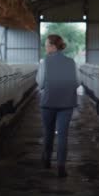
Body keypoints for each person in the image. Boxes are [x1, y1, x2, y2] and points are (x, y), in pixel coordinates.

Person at [35, 34, 79, 178]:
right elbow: (78, 82)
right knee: (62, 135)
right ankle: (61, 166)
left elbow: (40, 83)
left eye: (47, 45)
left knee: (48, 132)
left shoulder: (44, 62)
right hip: (67, 103)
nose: (45, 47)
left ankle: (46, 161)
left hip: (48, 102)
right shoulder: (71, 62)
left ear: (53, 46)